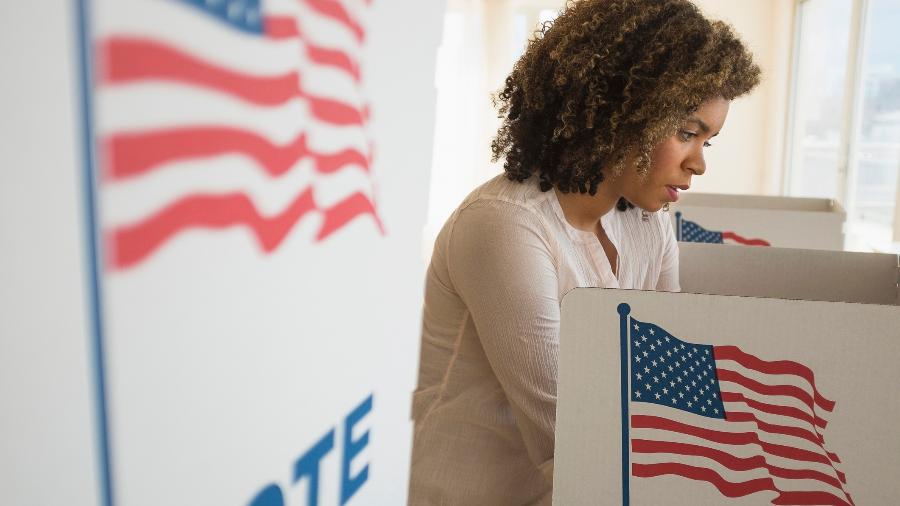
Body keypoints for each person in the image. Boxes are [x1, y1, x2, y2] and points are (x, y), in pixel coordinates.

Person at [409, 0, 760, 503]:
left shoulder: (646, 220)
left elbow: (663, 386)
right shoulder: (505, 224)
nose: (698, 164)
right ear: (625, 113)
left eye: (709, 141)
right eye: (687, 133)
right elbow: (568, 436)